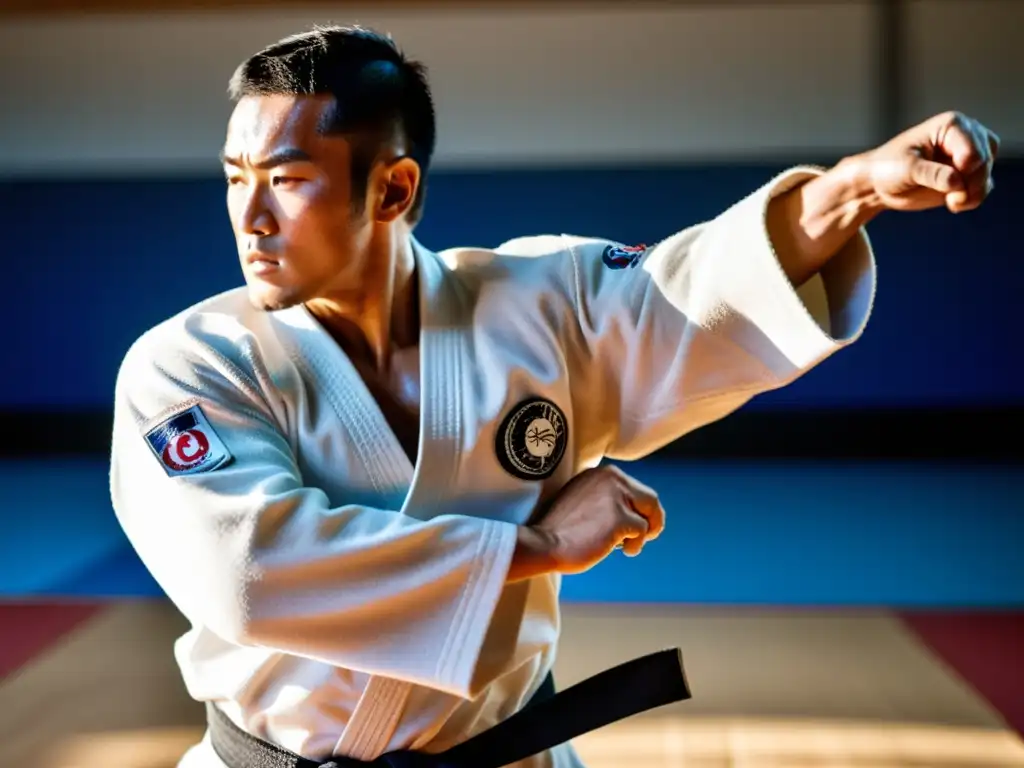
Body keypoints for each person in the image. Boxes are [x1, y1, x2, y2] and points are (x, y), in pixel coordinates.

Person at [108, 23, 999, 768]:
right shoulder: (189, 365)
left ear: (393, 188)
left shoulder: (541, 300)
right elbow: (252, 571)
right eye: (235, 176)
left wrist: (848, 193)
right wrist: (534, 545)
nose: (249, 218)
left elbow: (688, 295)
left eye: (287, 179)